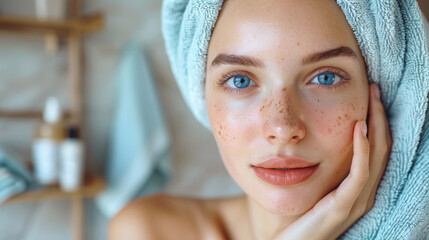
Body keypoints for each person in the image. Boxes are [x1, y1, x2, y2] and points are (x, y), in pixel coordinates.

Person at [109, 0, 429, 239]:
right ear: (202, 95)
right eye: (240, 81)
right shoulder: (150, 231)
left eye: (327, 77)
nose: (283, 127)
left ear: (383, 95)